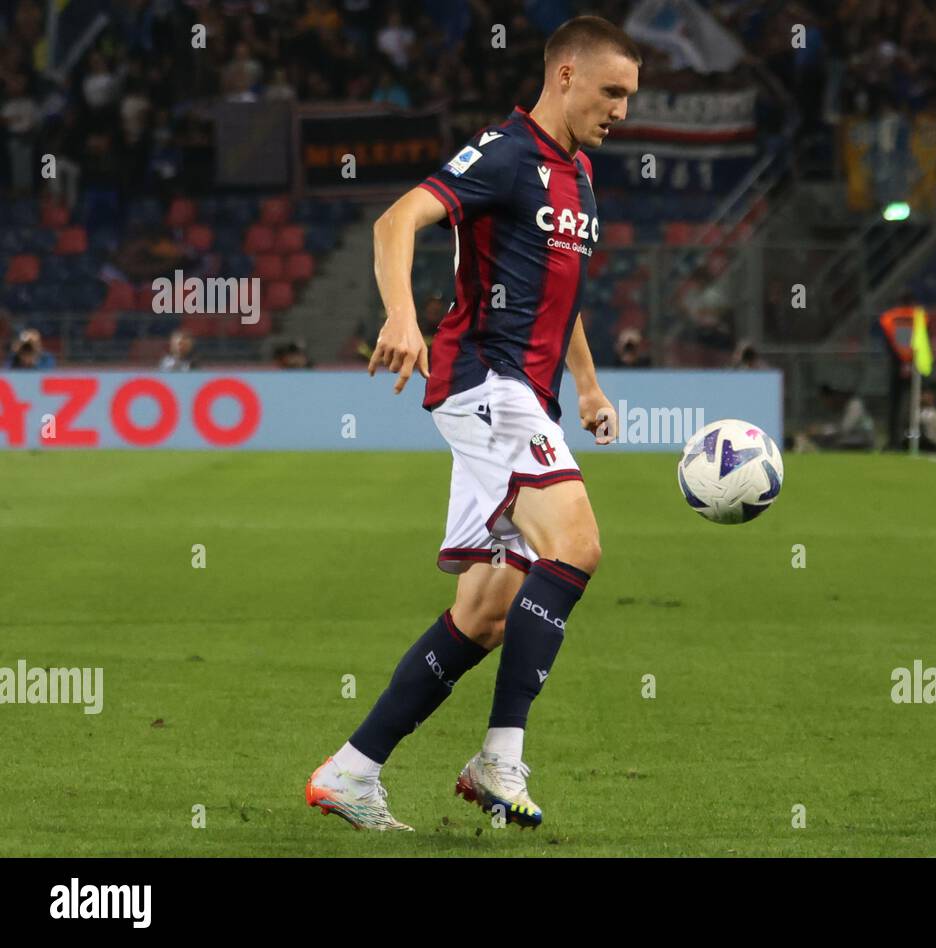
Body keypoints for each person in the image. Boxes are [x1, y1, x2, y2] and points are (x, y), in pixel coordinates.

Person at [307, 16, 640, 831]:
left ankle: (350, 771)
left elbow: (563, 297)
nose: (623, 110)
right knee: (579, 545)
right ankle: (500, 756)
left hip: (529, 393)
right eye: (612, 92)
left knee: (486, 614)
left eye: (630, 96)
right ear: (564, 75)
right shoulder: (506, 153)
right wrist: (400, 318)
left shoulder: (581, 174)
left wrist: (589, 388)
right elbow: (396, 222)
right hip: (485, 381)